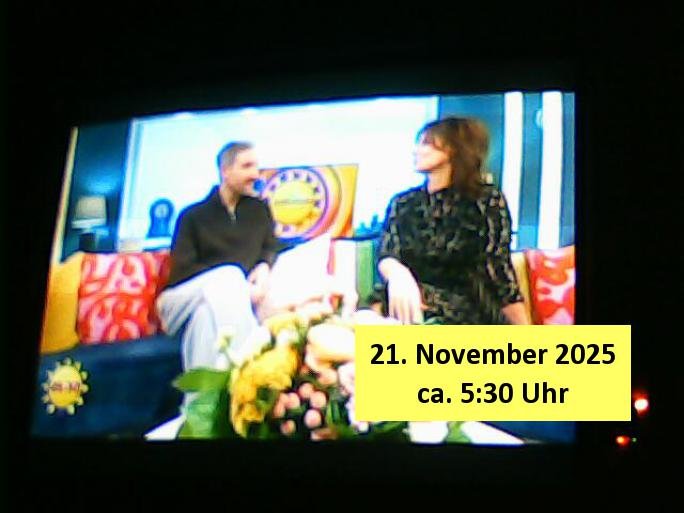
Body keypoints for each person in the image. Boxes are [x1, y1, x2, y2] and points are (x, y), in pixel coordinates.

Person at [376, 117, 529, 325]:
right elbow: (387, 254)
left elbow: (497, 269)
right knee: (369, 312)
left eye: (426, 144)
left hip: (467, 309)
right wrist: (399, 276)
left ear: (453, 150)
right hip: (405, 300)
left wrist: (525, 333)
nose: (415, 151)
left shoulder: (485, 200)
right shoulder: (403, 203)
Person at [156, 141, 279, 372]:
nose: (255, 174)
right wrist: (239, 287)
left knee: (204, 317)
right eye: (247, 166)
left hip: (215, 305)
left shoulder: (259, 210)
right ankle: (247, 372)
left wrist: (264, 266)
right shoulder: (192, 215)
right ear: (225, 171)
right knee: (230, 276)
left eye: (256, 166)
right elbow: (183, 270)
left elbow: (271, 246)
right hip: (181, 300)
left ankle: (205, 394)